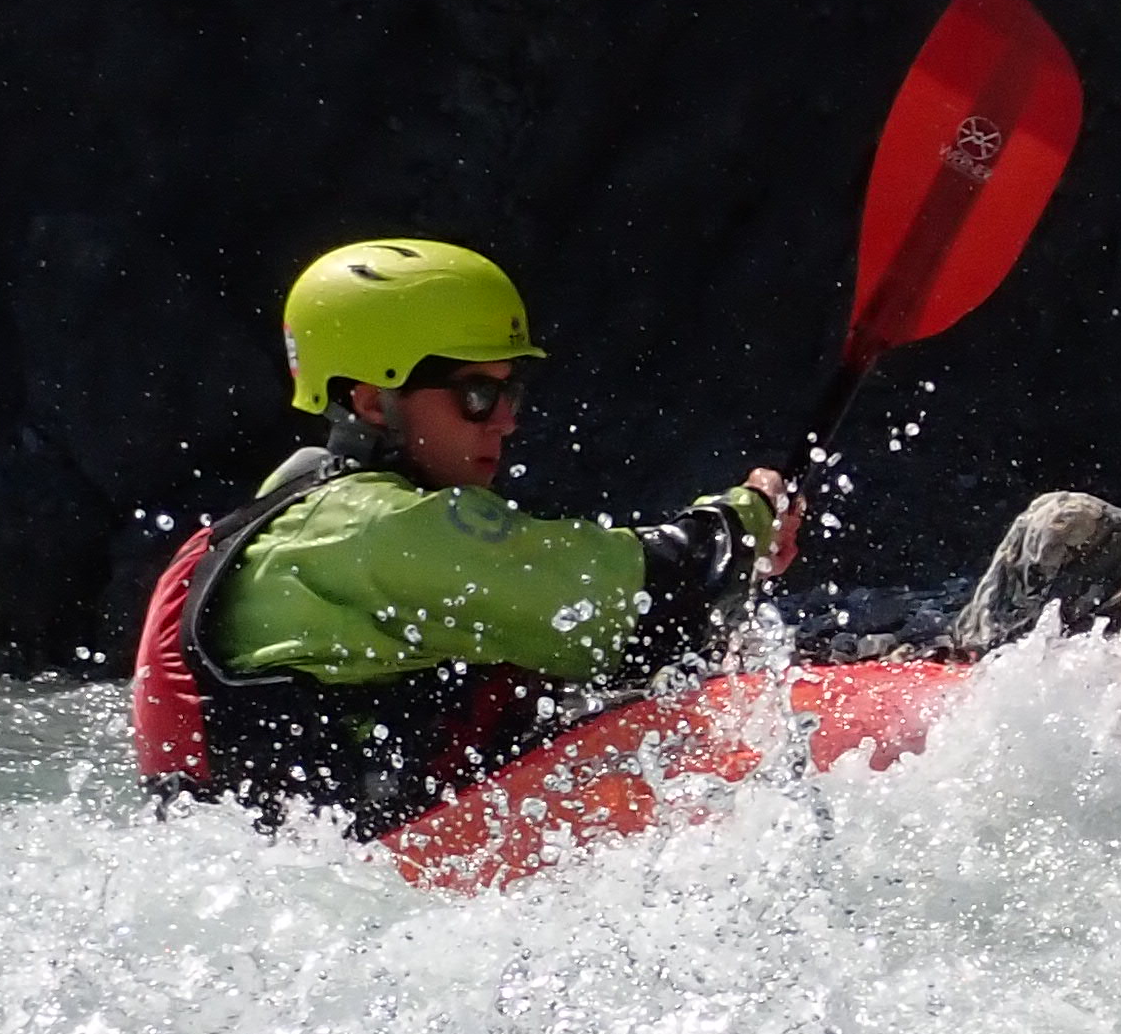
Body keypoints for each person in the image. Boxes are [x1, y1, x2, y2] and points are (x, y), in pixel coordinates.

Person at [131, 238, 801, 831]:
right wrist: (745, 520)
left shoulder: (298, 507)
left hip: (307, 872)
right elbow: (633, 604)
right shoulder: (379, 528)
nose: (505, 422)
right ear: (371, 400)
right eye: (477, 394)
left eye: (513, 392)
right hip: (380, 875)